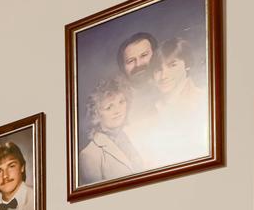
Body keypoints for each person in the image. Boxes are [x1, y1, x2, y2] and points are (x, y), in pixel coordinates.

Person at [147, 36, 209, 164]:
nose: (164, 76)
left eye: (172, 65)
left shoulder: (204, 100)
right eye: (158, 69)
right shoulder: (152, 111)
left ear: (187, 65)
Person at [77, 77, 142, 185]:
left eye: (121, 102)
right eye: (109, 107)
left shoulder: (138, 132)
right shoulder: (89, 155)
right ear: (96, 114)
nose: (118, 110)